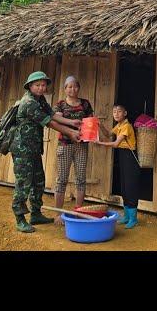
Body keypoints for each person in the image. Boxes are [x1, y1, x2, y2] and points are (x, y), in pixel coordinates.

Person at [10, 71, 81, 233]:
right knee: (23, 184)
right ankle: (20, 219)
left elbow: (52, 114)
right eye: (37, 85)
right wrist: (70, 132)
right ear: (30, 86)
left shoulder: (40, 99)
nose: (41, 88)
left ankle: (35, 214)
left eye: (43, 85)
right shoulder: (29, 103)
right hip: (22, 150)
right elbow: (49, 122)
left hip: (33, 149)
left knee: (38, 182)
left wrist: (71, 121)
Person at [52, 76, 94, 225]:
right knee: (62, 179)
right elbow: (56, 120)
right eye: (69, 87)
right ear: (65, 89)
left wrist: (95, 133)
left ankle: (79, 211)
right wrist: (70, 127)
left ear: (79, 88)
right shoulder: (60, 105)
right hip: (65, 144)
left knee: (81, 179)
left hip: (82, 145)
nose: (72, 89)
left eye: (75, 86)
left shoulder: (85, 104)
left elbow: (91, 122)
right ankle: (58, 214)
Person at [95, 104, 139, 229]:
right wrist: (100, 125)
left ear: (125, 113)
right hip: (123, 157)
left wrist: (100, 143)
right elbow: (109, 134)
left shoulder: (126, 126)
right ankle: (126, 217)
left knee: (130, 187)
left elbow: (115, 143)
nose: (116, 114)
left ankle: (133, 219)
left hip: (130, 158)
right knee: (124, 187)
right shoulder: (119, 126)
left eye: (119, 111)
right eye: (114, 112)